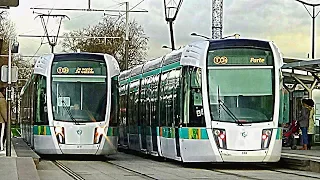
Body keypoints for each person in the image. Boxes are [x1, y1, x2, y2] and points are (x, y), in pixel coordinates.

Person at [0, 87, 7, 151]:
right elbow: (4, 111)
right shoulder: (2, 99)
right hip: (1, 121)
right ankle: (1, 147)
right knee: (2, 134)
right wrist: (7, 120)